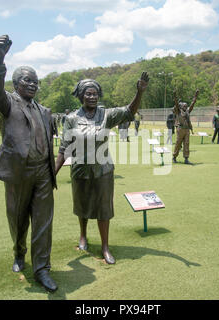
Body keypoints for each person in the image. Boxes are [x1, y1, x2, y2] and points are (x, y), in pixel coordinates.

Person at [55, 72, 149, 265]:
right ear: (81, 96)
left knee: (104, 209)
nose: (92, 97)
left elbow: (128, 111)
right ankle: (83, 236)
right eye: (88, 94)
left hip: (103, 170)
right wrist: (52, 174)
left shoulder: (106, 115)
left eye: (95, 93)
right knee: (82, 205)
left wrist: (139, 92)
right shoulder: (72, 118)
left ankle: (105, 246)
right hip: (80, 170)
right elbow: (64, 148)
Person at [0, 35, 58, 292]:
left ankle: (42, 269)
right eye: (27, 80)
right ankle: (19, 253)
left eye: (36, 81)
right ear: (16, 84)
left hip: (42, 172)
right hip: (18, 173)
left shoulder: (45, 111)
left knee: (43, 222)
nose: (32, 84)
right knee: (17, 219)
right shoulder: (8, 104)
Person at [172, 89, 199, 164]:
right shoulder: (178, 111)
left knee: (186, 144)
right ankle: (174, 157)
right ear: (181, 107)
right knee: (178, 143)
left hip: (187, 130)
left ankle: (186, 158)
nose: (186, 107)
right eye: (184, 106)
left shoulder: (187, 112)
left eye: (186, 106)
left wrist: (195, 96)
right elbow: (176, 103)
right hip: (180, 129)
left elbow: (192, 104)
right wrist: (175, 96)